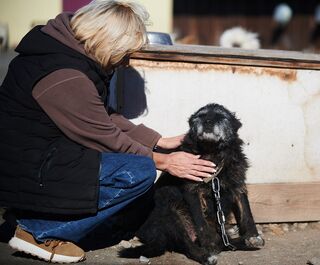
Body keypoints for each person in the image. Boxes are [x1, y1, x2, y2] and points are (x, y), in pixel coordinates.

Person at [0, 0, 216, 263]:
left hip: (41, 160)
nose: (126, 61)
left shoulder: (69, 54)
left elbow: (101, 115)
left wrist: (159, 140)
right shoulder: (65, 75)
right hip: (30, 170)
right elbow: (105, 137)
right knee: (139, 172)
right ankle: (38, 232)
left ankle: (28, 217)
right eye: (125, 53)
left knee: (131, 194)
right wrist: (165, 162)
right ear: (107, 41)